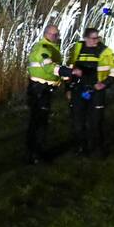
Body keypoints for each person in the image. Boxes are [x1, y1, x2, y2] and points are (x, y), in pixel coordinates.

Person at [25, 24, 76, 165]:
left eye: (57, 34)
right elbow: (49, 67)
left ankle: (34, 153)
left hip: (43, 90)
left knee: (39, 121)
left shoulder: (52, 48)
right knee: (39, 123)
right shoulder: (43, 49)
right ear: (46, 34)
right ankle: (36, 155)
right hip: (39, 90)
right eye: (54, 35)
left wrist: (67, 81)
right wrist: (68, 72)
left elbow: (55, 68)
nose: (57, 37)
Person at [67, 28, 114, 159]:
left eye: (98, 38)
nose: (96, 41)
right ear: (85, 38)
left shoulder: (105, 51)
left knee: (96, 122)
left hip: (96, 90)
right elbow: (69, 69)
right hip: (79, 89)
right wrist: (68, 88)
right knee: (78, 122)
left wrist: (105, 83)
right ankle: (81, 148)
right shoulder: (77, 49)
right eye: (93, 38)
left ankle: (98, 150)